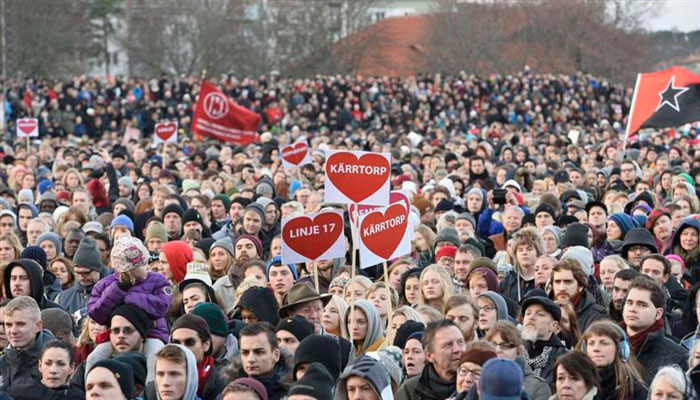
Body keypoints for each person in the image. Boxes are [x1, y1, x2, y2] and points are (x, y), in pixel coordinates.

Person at [622, 275, 688, 383]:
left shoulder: (678, 357)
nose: (632, 309)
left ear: (658, 313)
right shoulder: (607, 344)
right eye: (629, 303)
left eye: (642, 305)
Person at [395, 320, 467, 400]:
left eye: (460, 342)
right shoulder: (409, 391)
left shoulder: (474, 383)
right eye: (448, 345)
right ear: (429, 355)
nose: (457, 349)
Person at [577, 320, 647, 400]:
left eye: (604, 343)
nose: (595, 349)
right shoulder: (576, 386)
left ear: (621, 350)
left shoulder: (635, 391)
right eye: (591, 343)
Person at [224, 322, 292, 400]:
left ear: (276, 355)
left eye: (259, 352)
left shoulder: (293, 393)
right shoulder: (227, 389)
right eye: (245, 353)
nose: (250, 359)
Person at [484, 321, 551, 400]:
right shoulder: (478, 378)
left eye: (506, 345)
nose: (498, 350)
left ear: (519, 351)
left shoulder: (537, 386)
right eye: (493, 345)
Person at [0, 296, 54, 389]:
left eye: (20, 324)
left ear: (38, 326)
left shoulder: (56, 362)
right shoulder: (2, 362)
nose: (13, 331)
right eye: (8, 325)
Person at [168, 315, 226, 400]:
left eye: (190, 343)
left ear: (206, 345)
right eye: (176, 343)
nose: (182, 349)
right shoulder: (156, 386)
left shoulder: (224, 383)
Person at [5, 339, 85, 400]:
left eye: (61, 364)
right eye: (48, 363)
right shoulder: (18, 395)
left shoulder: (80, 397)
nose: (53, 370)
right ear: (40, 365)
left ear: (71, 368)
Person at [520, 295, 567, 384]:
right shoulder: (513, 352)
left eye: (540, 314)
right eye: (528, 313)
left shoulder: (565, 359)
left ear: (553, 326)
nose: (531, 317)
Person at [550, 258, 606, 330]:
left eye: (568, 282)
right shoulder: (544, 311)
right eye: (557, 282)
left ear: (580, 286)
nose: (561, 288)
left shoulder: (597, 317)